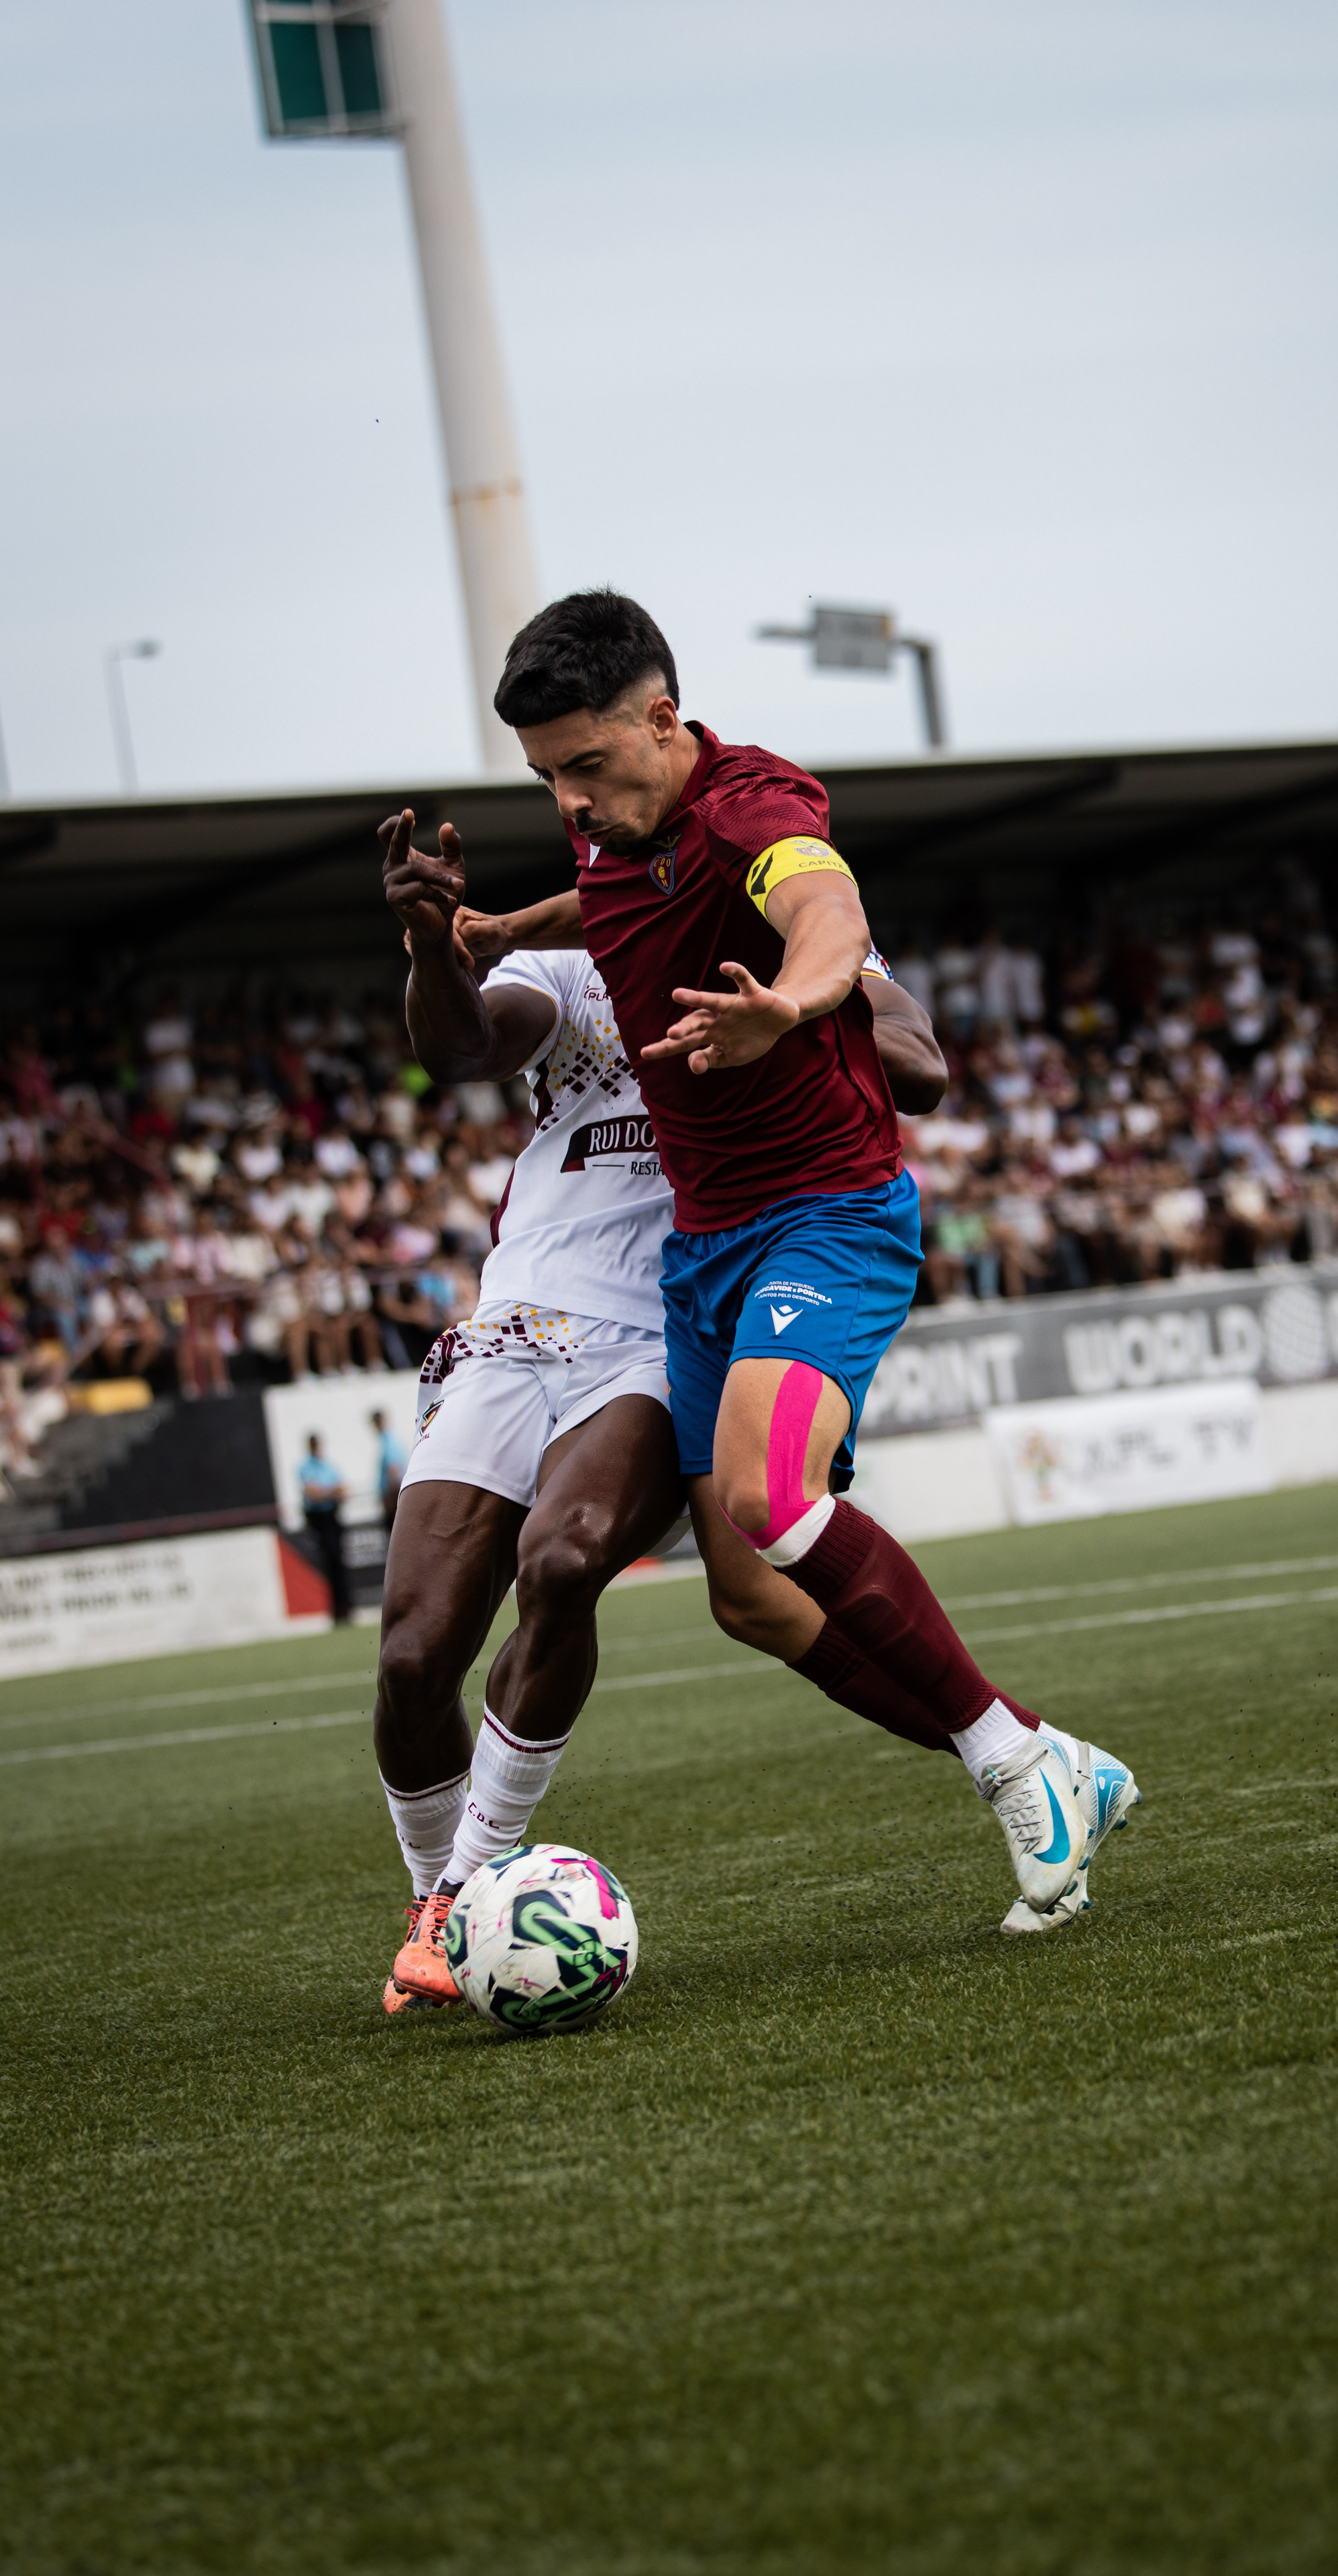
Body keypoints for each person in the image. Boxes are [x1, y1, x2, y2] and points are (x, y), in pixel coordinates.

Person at [382, 588, 1139, 1963]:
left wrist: (792, 1005)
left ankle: (1019, 1765)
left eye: (585, 766)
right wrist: (485, 932)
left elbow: (827, 910)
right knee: (752, 1596)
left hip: (823, 1219)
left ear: (663, 720)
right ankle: (1044, 1758)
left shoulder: (755, 815)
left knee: (761, 1495)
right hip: (699, 1256)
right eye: (546, 778)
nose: (570, 799)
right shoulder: (619, 844)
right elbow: (593, 909)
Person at [373, 841, 981, 2017]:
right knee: (411, 1660)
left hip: (667, 1323)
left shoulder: (801, 946)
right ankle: (428, 1893)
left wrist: (791, 1008)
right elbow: (460, 1047)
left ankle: (456, 1898)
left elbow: (920, 1067)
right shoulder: (575, 964)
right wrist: (433, 946)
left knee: (566, 1563)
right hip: (515, 1320)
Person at [297, 1432, 352, 1625]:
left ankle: (345, 1608)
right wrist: (331, 1492)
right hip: (319, 1520)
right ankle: (335, 1609)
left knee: (339, 1563)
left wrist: (326, 1493)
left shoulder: (329, 1466)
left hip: (332, 1517)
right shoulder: (306, 1467)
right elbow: (313, 1494)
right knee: (328, 1564)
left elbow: (343, 1491)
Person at [370, 1408, 406, 1526]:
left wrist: (390, 1500)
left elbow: (394, 1471)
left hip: (393, 1496)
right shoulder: (387, 1440)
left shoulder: (389, 1441)